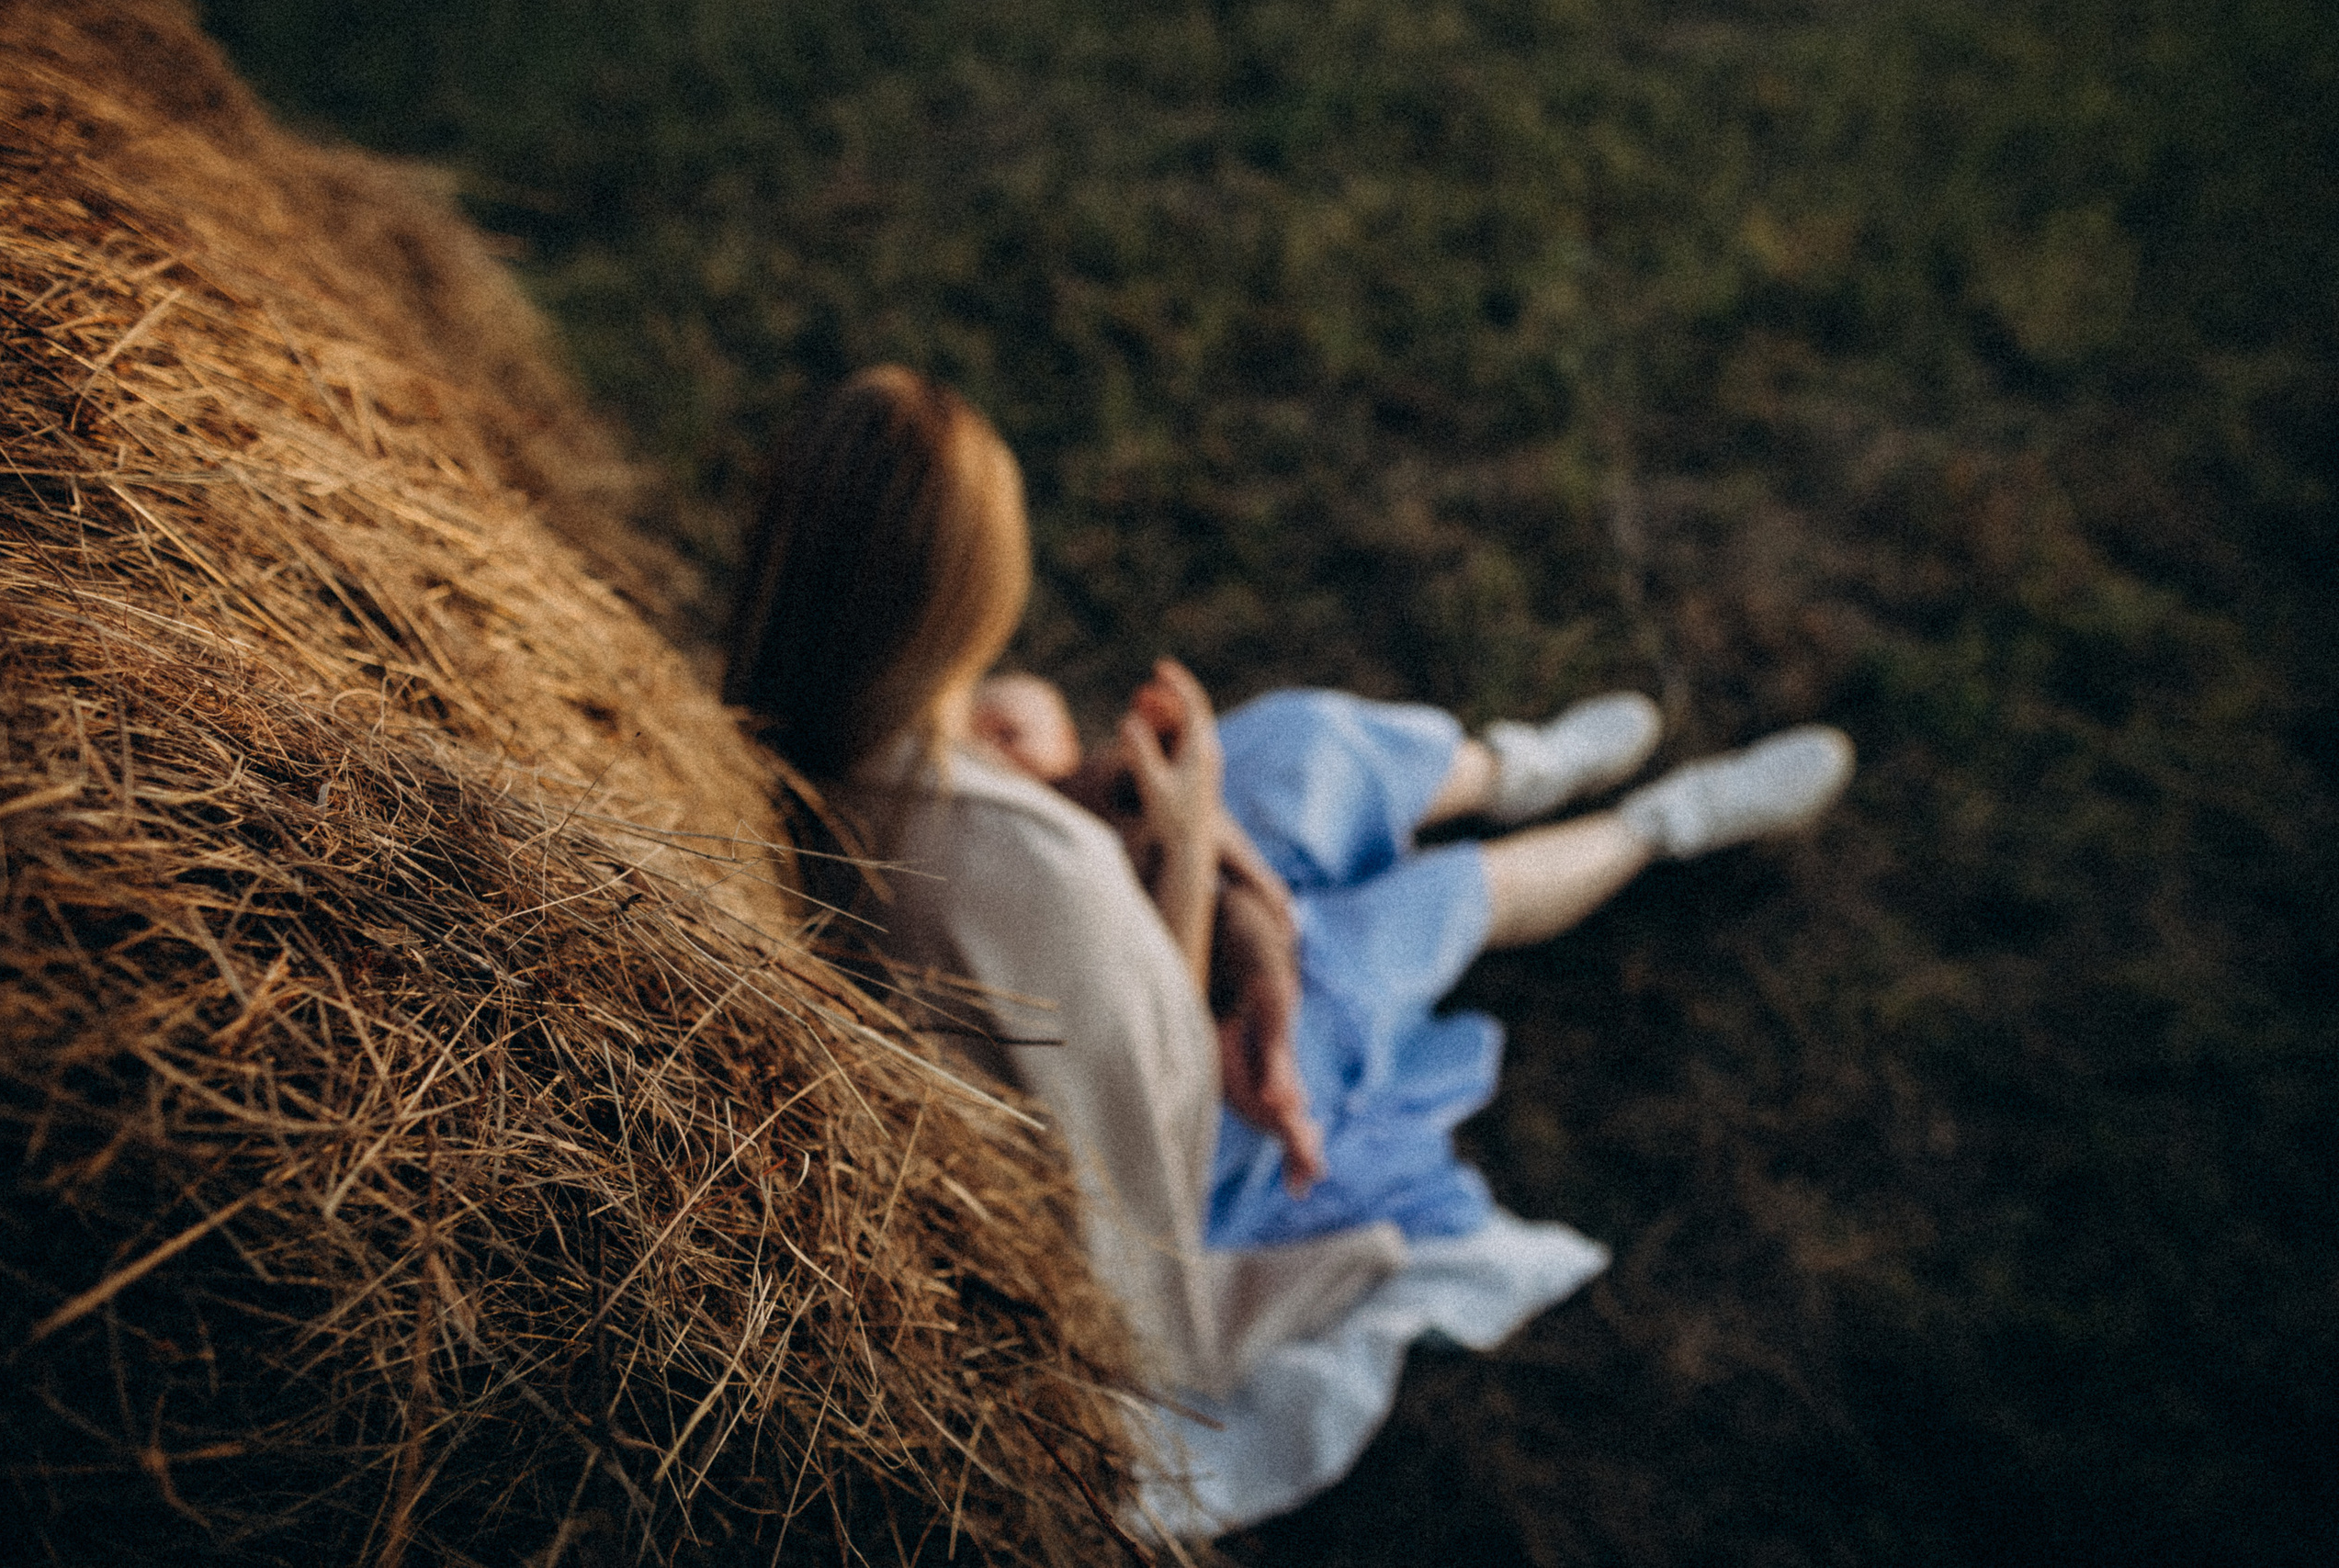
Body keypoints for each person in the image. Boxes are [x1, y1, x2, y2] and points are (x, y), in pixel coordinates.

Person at [723, 364, 1854, 1532]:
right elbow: (1163, 1067)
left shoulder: (797, 737)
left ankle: (1517, 768)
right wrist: (1189, 824)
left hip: (1090, 968)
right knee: (1413, 914)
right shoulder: (1011, 865)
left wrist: (1180, 822)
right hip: (1184, 1136)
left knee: (1297, 749)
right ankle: (1655, 828)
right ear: (967, 592)